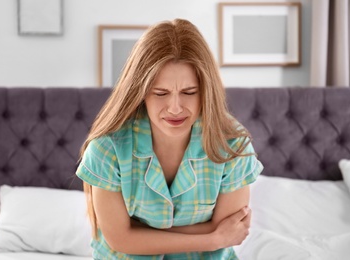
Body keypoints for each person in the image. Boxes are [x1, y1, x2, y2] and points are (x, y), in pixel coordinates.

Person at [76, 18, 263, 259]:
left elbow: (233, 228)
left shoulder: (232, 144)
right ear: (140, 92)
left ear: (206, 91)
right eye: (161, 93)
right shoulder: (107, 148)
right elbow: (119, 239)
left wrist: (139, 234)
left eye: (189, 92)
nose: (175, 108)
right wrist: (213, 239)